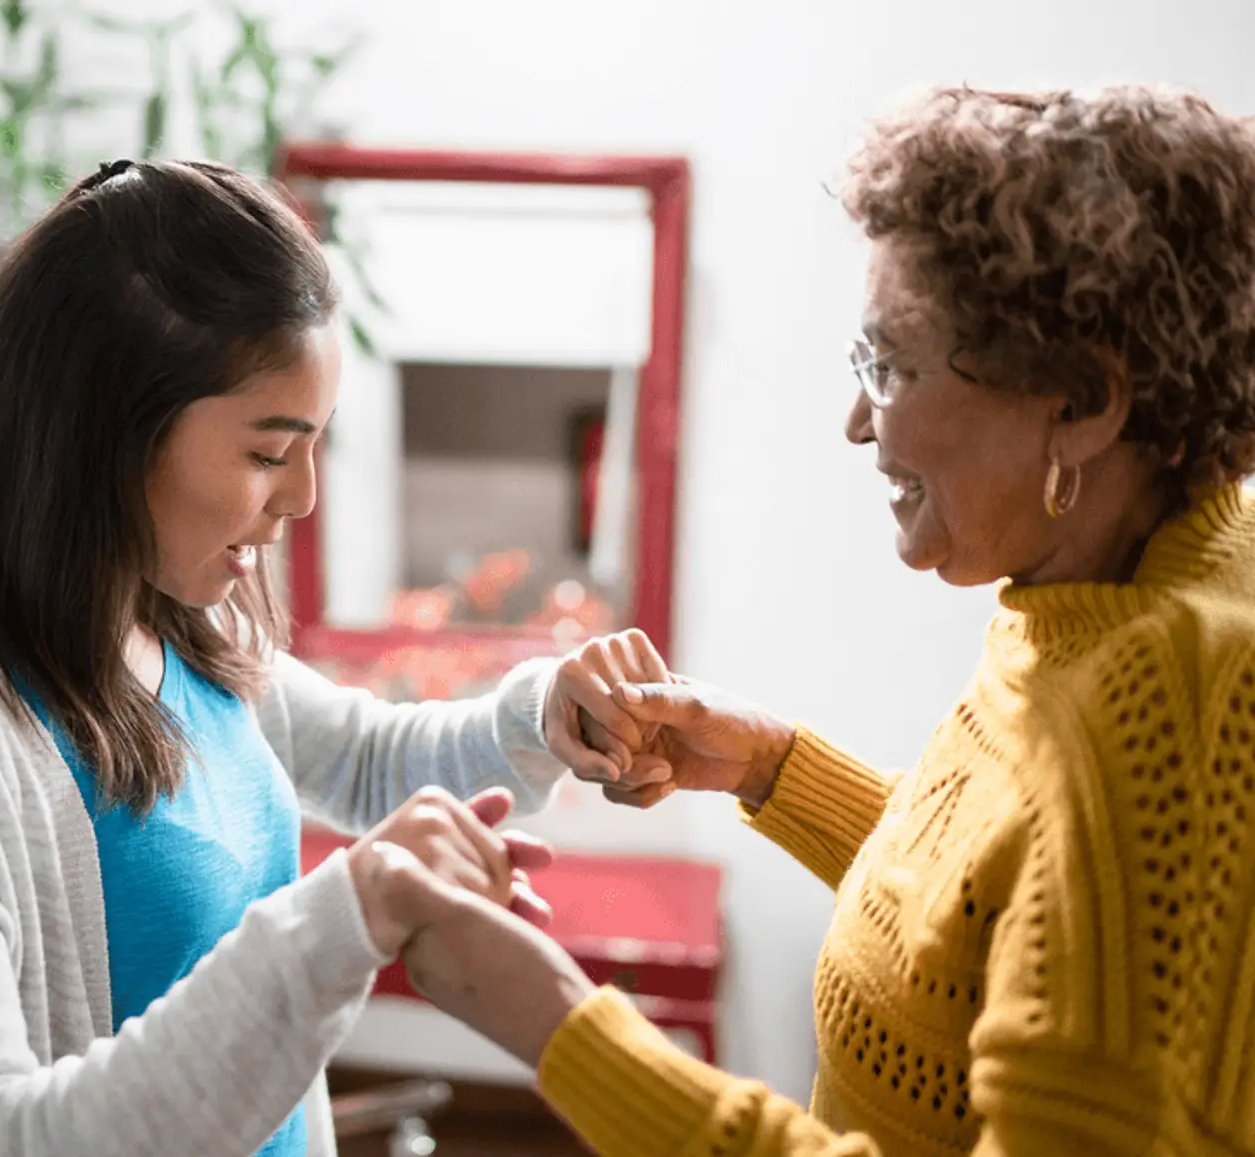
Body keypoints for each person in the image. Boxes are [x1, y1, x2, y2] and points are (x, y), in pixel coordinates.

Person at [371, 85, 1255, 1157]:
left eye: (891, 364)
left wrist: (561, 1025)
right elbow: (1005, 915)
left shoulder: (1169, 684)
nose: (854, 421)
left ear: (1080, 399)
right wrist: (773, 769)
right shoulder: (1112, 589)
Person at [0, 159, 666, 1157]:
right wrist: (345, 917)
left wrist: (543, 713)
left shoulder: (178, 630)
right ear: (105, 431)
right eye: (265, 452)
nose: (299, 500)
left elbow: (371, 760)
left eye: (314, 447)